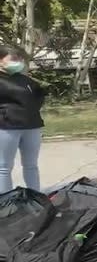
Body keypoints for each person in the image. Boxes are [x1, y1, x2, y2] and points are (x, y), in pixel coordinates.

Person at [0, 46, 45, 194]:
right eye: (13, 59)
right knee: (4, 167)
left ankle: (36, 197)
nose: (18, 62)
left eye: (20, 59)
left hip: (32, 126)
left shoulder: (26, 80)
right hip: (7, 127)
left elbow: (38, 97)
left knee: (31, 165)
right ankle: (5, 202)